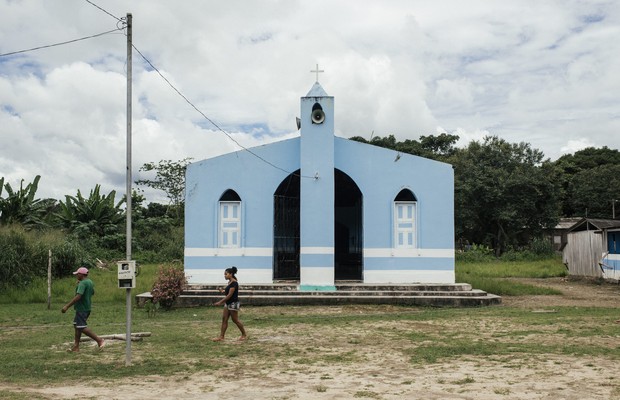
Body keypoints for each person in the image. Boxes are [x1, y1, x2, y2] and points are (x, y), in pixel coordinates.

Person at [61, 267, 105, 352]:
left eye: (77, 274)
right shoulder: (89, 282)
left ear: (81, 274)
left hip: (82, 308)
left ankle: (99, 340)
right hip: (86, 307)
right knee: (76, 326)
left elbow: (78, 296)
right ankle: (76, 347)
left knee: (81, 327)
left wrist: (67, 306)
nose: (76, 275)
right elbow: (92, 292)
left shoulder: (82, 284)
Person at [212, 266, 248, 342]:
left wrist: (220, 302)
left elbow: (229, 295)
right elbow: (226, 293)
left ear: (231, 274)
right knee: (224, 319)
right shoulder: (229, 282)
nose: (224, 276)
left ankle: (244, 334)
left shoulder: (234, 283)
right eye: (224, 274)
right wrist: (221, 291)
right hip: (228, 303)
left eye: (226, 274)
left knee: (235, 320)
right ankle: (221, 337)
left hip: (233, 303)